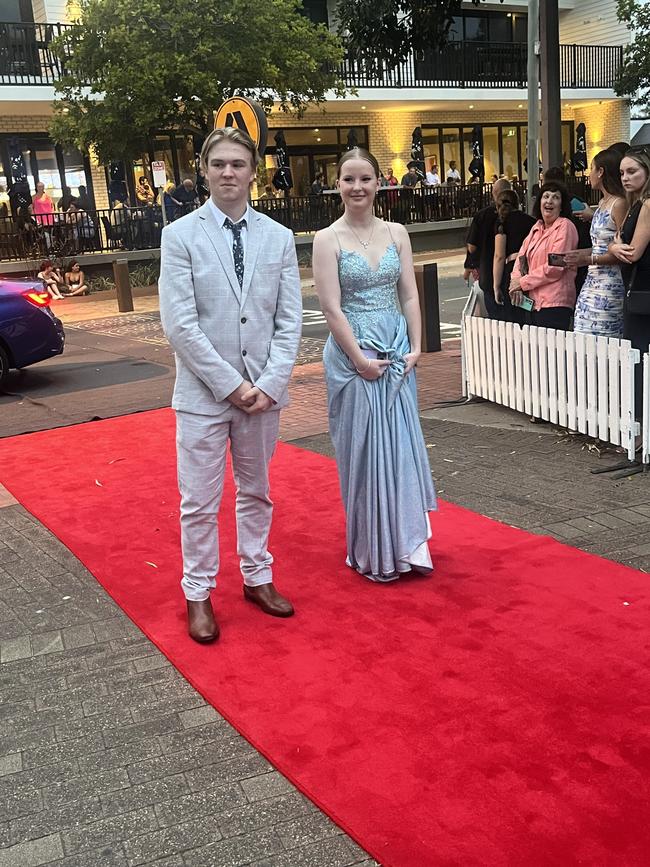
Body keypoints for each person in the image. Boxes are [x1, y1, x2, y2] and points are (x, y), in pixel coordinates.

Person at [158, 126, 302, 643]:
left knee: (257, 492)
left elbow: (289, 320)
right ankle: (198, 592)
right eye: (218, 164)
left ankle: (257, 576)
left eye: (237, 164)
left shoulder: (278, 237)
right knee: (197, 500)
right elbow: (180, 325)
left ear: (252, 172)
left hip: (263, 396)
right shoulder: (179, 237)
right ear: (204, 170)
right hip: (202, 397)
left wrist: (267, 382)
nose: (227, 173)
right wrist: (230, 385)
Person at [312, 147, 437, 583]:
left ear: (379, 182)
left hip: (397, 353)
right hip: (353, 358)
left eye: (365, 178)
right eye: (349, 179)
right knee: (364, 452)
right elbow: (330, 308)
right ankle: (374, 547)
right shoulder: (327, 239)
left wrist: (418, 346)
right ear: (338, 185)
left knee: (401, 445)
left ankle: (409, 543)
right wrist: (360, 360)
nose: (357, 187)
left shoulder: (397, 232)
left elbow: (408, 294)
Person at [563, 149, 626, 337]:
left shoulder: (619, 204)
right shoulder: (601, 203)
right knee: (582, 331)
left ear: (601, 172)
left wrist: (587, 259)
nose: (589, 174)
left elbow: (623, 251)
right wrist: (579, 255)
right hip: (592, 279)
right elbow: (600, 246)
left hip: (610, 282)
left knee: (603, 338)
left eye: (591, 168)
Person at [609, 147, 650, 417]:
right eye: (622, 172)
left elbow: (632, 252)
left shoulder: (647, 205)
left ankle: (641, 425)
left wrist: (614, 248)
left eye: (632, 171)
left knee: (639, 356)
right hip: (637, 289)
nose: (625, 177)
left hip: (643, 290)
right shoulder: (636, 204)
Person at [509, 182, 579, 330]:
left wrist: (523, 283)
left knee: (553, 352)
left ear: (562, 205)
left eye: (556, 197)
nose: (549, 201)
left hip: (555, 304)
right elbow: (521, 260)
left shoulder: (565, 226)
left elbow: (555, 267)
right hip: (533, 304)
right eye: (546, 196)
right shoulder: (536, 228)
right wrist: (515, 282)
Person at [465, 178, 512, 318]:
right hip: (513, 276)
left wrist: (470, 265)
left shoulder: (482, 215)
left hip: (489, 273)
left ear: (494, 193)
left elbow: (472, 247)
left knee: (495, 319)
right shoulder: (521, 217)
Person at [492, 189, 535, 323]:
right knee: (529, 309)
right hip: (530, 267)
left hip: (512, 268)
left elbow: (499, 256)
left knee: (513, 315)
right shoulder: (531, 221)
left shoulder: (502, 223)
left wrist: (496, 286)